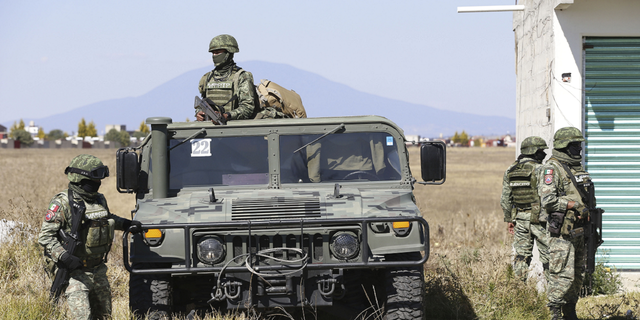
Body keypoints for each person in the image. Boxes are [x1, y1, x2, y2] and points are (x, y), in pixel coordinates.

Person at [38, 154, 140, 319]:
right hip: (75, 272)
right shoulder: (62, 203)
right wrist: (64, 256)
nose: (98, 184)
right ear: (79, 179)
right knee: (83, 316)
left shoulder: (99, 199)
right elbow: (45, 237)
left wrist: (127, 224)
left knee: (105, 315)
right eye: (93, 180)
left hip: (98, 269)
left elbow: (107, 218)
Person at [539, 127, 591, 320]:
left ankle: (570, 312)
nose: (579, 149)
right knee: (562, 275)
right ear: (564, 147)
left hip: (579, 230)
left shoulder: (577, 168)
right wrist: (572, 204)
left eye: (579, 144)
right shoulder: (552, 169)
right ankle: (554, 314)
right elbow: (548, 200)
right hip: (562, 233)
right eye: (575, 145)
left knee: (578, 276)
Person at [500, 136, 550, 283]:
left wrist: (509, 219)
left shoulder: (511, 170)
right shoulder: (541, 169)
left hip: (520, 219)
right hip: (540, 220)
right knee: (549, 257)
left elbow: (505, 199)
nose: (544, 154)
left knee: (521, 257)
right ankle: (554, 296)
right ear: (534, 151)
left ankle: (518, 293)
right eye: (541, 150)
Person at [195, 34, 259, 122]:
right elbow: (203, 103)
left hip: (233, 128)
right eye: (213, 53)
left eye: (218, 52)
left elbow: (248, 108)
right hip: (209, 128)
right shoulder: (207, 78)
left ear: (228, 53)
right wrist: (199, 113)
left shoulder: (241, 76)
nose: (214, 55)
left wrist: (226, 116)